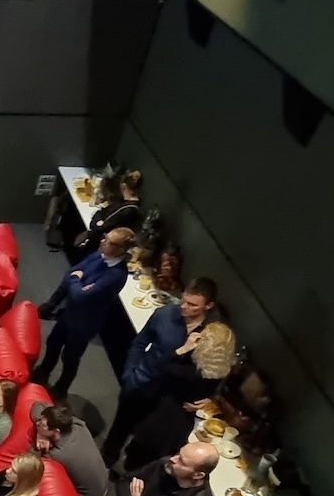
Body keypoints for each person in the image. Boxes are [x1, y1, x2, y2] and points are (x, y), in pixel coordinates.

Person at [102, 277, 219, 466]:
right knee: (120, 427)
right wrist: (129, 374)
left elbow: (221, 366)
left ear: (208, 306)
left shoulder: (214, 332)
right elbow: (139, 343)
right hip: (143, 382)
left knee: (147, 441)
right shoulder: (164, 315)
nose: (184, 307)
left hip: (172, 399)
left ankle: (131, 469)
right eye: (184, 300)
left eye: (192, 305)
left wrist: (211, 396)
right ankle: (107, 459)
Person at [32, 227, 138, 396]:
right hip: (68, 314)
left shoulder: (116, 275)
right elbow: (70, 274)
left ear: (120, 250)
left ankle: (61, 389)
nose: (102, 241)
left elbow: (80, 295)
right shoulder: (99, 255)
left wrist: (76, 279)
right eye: (105, 237)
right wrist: (75, 285)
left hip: (84, 325)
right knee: (53, 343)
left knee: (70, 358)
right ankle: (44, 371)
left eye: (109, 241)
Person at [124, 321, 237, 470]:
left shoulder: (187, 372)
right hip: (183, 422)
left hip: (162, 414)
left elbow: (158, 366)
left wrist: (183, 349)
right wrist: (209, 399)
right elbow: (215, 390)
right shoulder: (221, 372)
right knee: (160, 460)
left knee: (140, 455)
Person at [30, 401, 108, 496]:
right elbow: (38, 405)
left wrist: (39, 440)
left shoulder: (59, 454)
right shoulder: (77, 425)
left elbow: (31, 462)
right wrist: (40, 433)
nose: (37, 423)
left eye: (42, 424)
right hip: (103, 486)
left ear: (56, 431)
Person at [66, 170, 142, 265]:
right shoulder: (125, 202)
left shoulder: (127, 209)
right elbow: (101, 214)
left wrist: (96, 223)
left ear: (123, 185)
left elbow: (101, 225)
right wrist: (99, 218)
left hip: (103, 244)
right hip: (103, 240)